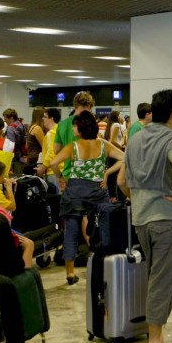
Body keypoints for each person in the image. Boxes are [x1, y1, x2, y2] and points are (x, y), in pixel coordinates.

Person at [118, 89, 172, 343]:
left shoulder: (136, 138)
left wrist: (138, 201)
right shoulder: (171, 137)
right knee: (164, 280)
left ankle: (156, 338)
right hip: (166, 219)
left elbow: (122, 182)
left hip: (141, 220)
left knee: (154, 276)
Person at [50, 111, 124, 285]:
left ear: (81, 127)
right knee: (102, 229)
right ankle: (103, 266)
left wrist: (61, 178)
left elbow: (53, 163)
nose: (73, 128)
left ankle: (69, 273)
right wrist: (107, 173)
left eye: (75, 125)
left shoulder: (73, 147)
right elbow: (124, 158)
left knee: (71, 232)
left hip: (74, 190)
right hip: (97, 190)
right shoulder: (103, 145)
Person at [0, 161, 34, 276]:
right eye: (3, 175)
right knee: (29, 244)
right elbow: (12, 206)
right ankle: (26, 277)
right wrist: (9, 189)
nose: (5, 177)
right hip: (0, 229)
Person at [54, 91, 95, 183]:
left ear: (75, 105)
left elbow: (56, 150)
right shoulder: (89, 124)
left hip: (68, 174)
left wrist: (60, 177)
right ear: (89, 105)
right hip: (88, 175)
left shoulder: (62, 124)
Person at [36, 108, 63, 193]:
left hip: (53, 171)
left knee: (55, 199)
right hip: (60, 169)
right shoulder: (59, 130)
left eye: (45, 116)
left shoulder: (52, 133)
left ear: (51, 118)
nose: (42, 119)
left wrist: (42, 168)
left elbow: (51, 153)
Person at [104, 111, 125, 201]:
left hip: (111, 154)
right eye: (120, 115)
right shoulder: (116, 125)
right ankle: (115, 197)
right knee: (116, 176)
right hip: (116, 154)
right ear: (117, 116)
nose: (121, 117)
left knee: (112, 176)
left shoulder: (110, 126)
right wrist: (121, 148)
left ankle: (112, 197)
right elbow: (113, 140)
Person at [2, 108, 27, 174]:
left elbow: (10, 146)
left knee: (15, 178)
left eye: (6, 118)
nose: (5, 121)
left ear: (11, 118)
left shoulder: (10, 128)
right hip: (22, 156)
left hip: (15, 158)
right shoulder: (21, 124)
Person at [25, 106, 46, 172]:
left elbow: (26, 146)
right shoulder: (38, 128)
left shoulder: (30, 127)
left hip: (31, 158)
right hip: (37, 160)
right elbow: (44, 145)